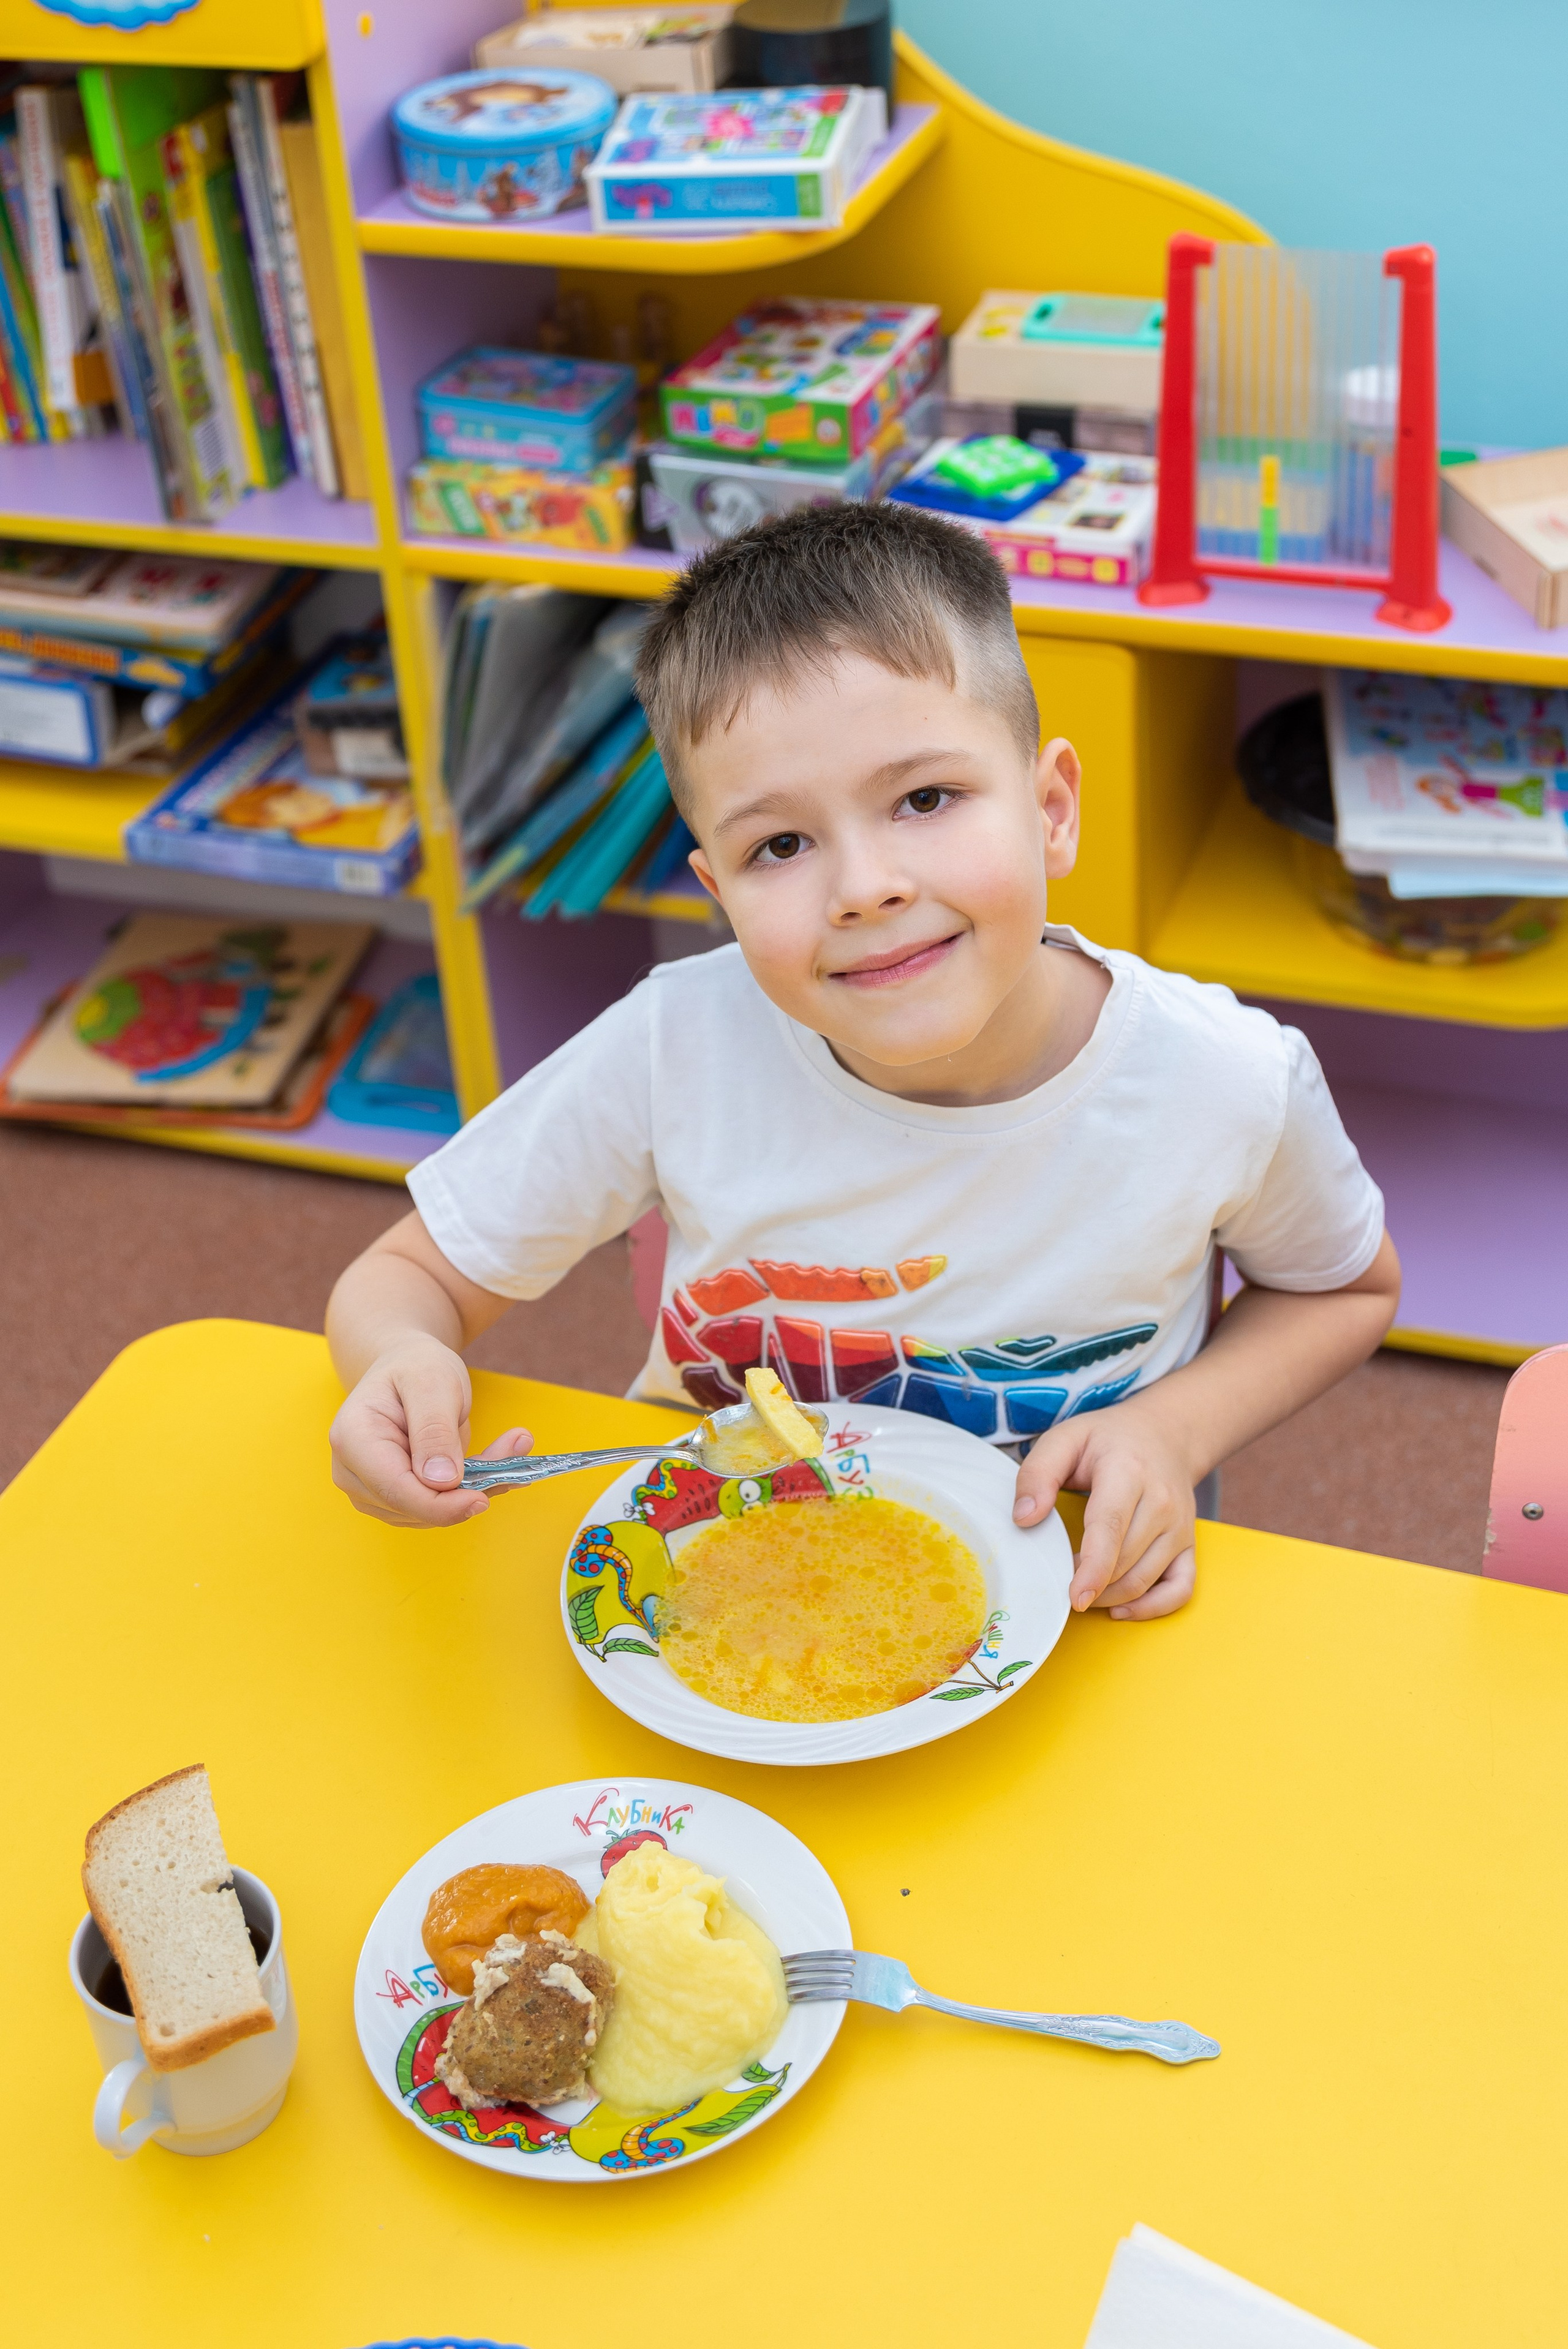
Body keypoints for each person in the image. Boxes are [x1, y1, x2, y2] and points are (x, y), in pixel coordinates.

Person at [326, 503, 1398, 1619]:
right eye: (779, 846)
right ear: (721, 895)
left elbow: (1342, 1289)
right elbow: (404, 1280)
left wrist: (1172, 1429)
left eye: (925, 798)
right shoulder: (672, 1044)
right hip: (733, 1578)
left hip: (1084, 1590)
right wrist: (398, 1364)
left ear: (1052, 811)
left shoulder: (1228, 1078)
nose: (863, 886)